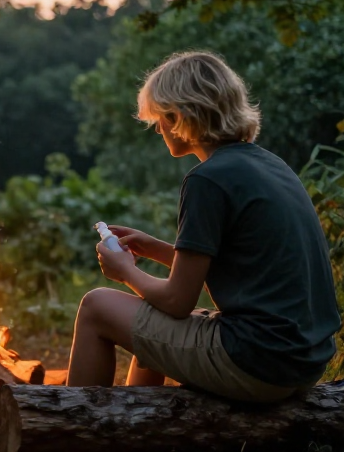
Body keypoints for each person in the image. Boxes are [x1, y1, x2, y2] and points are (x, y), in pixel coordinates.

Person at [66, 50, 340, 402]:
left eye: (158, 119)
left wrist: (125, 271)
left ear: (178, 116)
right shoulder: (270, 165)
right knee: (153, 319)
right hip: (304, 360)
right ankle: (138, 423)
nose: (157, 128)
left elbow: (178, 301)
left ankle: (75, 426)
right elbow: (245, 268)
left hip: (257, 363)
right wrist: (156, 249)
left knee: (97, 306)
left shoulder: (207, 179)